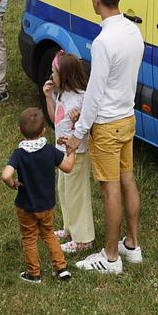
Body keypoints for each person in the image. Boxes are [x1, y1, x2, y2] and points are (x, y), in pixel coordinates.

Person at [74, 0, 144, 275]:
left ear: (96, 0)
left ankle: (111, 256)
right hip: (127, 117)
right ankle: (132, 244)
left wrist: (79, 132)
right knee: (127, 179)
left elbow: (94, 91)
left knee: (109, 189)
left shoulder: (103, 42)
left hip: (106, 124)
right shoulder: (133, 31)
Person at [1, 107, 76, 283]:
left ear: (20, 130)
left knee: (29, 238)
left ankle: (34, 274)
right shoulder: (49, 150)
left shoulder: (19, 154)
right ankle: (61, 268)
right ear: (43, 130)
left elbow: (5, 175)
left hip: (26, 206)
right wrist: (71, 152)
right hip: (47, 205)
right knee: (48, 234)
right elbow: (68, 167)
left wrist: (13, 184)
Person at [44, 51, 95, 258]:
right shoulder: (62, 94)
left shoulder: (82, 101)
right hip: (62, 154)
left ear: (65, 76)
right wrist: (48, 97)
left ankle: (83, 239)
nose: (51, 76)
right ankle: (69, 227)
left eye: (54, 73)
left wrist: (77, 120)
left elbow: (86, 127)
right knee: (64, 191)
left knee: (77, 195)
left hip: (77, 155)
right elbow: (54, 119)